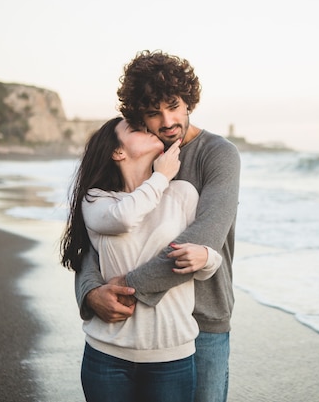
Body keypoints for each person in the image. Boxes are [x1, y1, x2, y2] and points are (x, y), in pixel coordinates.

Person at [75, 51, 241, 402]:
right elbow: (95, 237)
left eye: (174, 106)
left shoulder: (218, 154)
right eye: (153, 113)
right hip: (131, 329)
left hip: (204, 319)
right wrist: (90, 292)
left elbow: (202, 238)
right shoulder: (137, 156)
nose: (167, 121)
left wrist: (124, 286)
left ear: (189, 101)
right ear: (139, 116)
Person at [61, 116, 222, 401]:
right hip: (107, 353)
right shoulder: (97, 199)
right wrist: (160, 177)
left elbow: (207, 265)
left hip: (172, 354)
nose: (149, 129)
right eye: (137, 129)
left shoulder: (183, 194)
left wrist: (207, 257)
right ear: (117, 152)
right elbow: (124, 219)